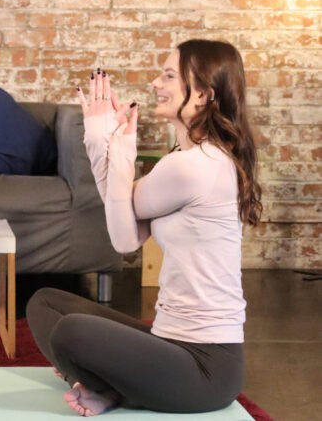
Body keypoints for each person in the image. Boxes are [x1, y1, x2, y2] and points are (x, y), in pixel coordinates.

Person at [27, 40, 262, 416]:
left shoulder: (193, 166)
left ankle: (109, 388)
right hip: (169, 344)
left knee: (71, 333)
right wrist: (102, 146)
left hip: (205, 370)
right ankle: (114, 388)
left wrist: (112, 150)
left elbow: (121, 239)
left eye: (169, 76)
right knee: (47, 304)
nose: (155, 82)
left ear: (202, 95)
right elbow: (128, 224)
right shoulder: (189, 160)